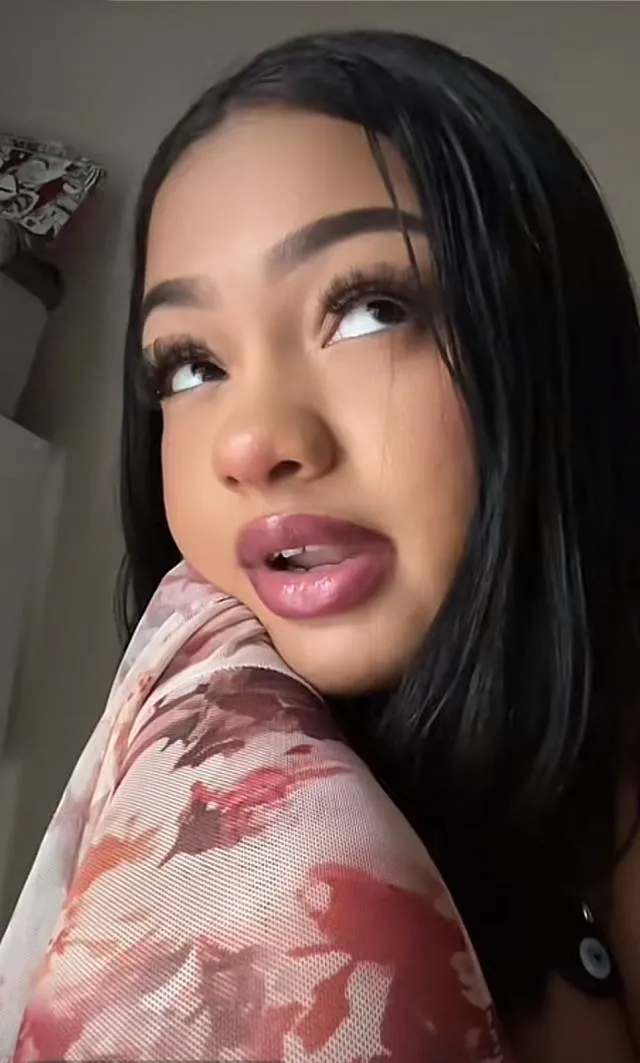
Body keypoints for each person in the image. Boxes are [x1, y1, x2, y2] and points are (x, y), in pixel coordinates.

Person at [2, 28, 640, 1063]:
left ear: (552, 336)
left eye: (370, 308)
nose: (251, 444)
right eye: (190, 365)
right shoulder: (244, 874)